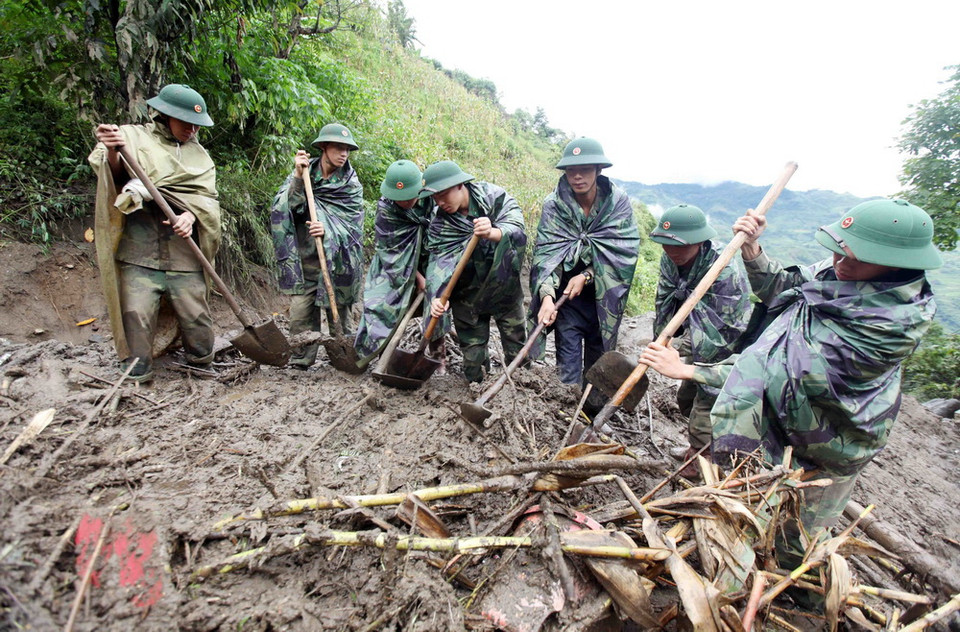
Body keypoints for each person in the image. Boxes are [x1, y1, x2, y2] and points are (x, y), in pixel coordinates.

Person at [640, 198, 941, 564]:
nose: (840, 264)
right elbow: (783, 286)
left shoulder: (883, 328)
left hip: (826, 441)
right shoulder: (842, 274)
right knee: (747, 509)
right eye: (838, 252)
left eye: (856, 257)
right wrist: (752, 250)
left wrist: (688, 369)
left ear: (897, 265)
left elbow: (777, 372)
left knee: (794, 542)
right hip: (778, 426)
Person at [89, 84, 221, 383]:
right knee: (136, 315)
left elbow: (207, 202)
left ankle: (201, 362)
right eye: (185, 122)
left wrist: (190, 215)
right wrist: (112, 150)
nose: (191, 130)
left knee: (196, 317)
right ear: (165, 115)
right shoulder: (132, 139)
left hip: (184, 254)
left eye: (196, 125)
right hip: (140, 251)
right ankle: (138, 370)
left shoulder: (200, 158)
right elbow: (114, 179)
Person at [529, 137, 639, 396]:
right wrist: (546, 297)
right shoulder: (554, 206)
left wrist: (587, 275)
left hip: (604, 301)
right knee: (567, 368)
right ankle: (566, 413)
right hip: (567, 301)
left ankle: (592, 416)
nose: (577, 177)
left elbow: (623, 252)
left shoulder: (617, 203)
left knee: (598, 365)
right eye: (571, 171)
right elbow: (547, 255)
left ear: (598, 171)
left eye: (585, 170)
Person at [648, 204, 752, 471]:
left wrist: (682, 348)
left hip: (722, 345)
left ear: (699, 242)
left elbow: (723, 329)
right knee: (686, 399)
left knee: (707, 403)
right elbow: (665, 297)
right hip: (692, 337)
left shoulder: (724, 269)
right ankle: (698, 446)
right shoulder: (670, 259)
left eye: (680, 246)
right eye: (666, 245)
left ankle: (704, 461)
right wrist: (663, 338)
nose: (672, 252)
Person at [421, 160, 527, 383]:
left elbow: (517, 228)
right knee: (473, 364)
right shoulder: (440, 222)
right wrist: (436, 296)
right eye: (434, 197)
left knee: (518, 351)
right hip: (467, 296)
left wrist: (494, 232)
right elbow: (437, 262)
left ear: (461, 185)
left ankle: (522, 392)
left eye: (444, 194)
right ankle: (479, 389)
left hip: (503, 287)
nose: (440, 202)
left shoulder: (493, 197)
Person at [270, 123, 364, 369]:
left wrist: (328, 230)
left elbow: (353, 229)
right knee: (300, 315)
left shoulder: (350, 185)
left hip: (338, 264)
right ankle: (301, 359)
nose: (344, 153)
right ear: (323, 147)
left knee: (340, 317)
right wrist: (298, 178)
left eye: (347, 149)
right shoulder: (304, 174)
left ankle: (342, 359)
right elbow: (287, 207)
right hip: (306, 260)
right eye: (338, 147)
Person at [354, 160, 440, 367]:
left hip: (432, 259)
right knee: (381, 306)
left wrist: (431, 274)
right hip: (395, 264)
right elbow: (389, 249)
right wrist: (417, 277)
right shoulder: (386, 209)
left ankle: (439, 355)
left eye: (408, 196)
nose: (403, 202)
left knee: (437, 303)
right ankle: (372, 355)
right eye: (398, 198)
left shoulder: (434, 200)